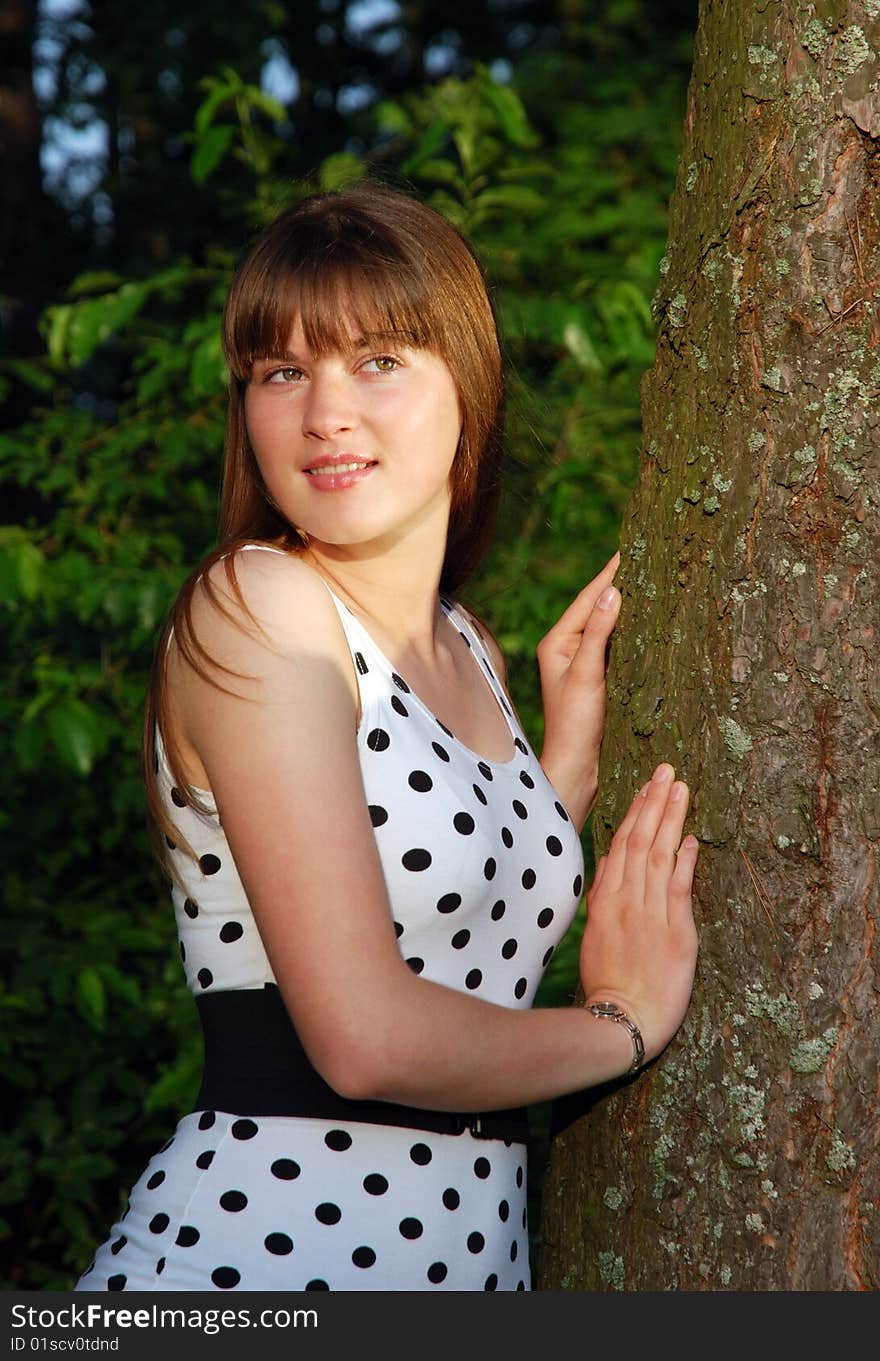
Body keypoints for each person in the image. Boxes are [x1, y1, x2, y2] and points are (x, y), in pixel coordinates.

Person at [74, 183, 699, 1293]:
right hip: (264, 1259)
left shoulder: (471, 649)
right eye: (281, 370)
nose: (324, 411)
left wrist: (564, 766)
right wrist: (622, 1027)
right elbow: (364, 1034)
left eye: (378, 361)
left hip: (461, 1260)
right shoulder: (258, 607)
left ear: (470, 383)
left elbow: (465, 944)